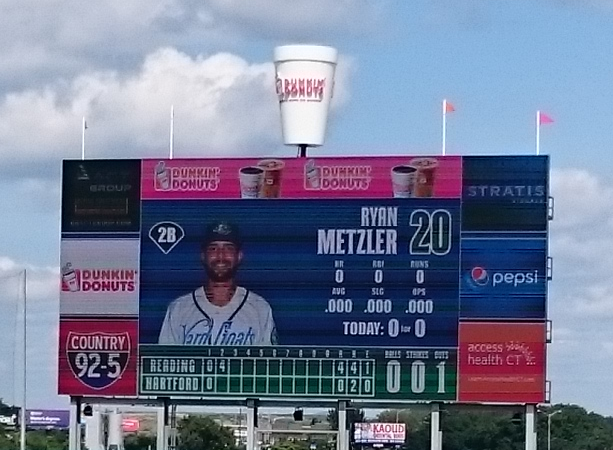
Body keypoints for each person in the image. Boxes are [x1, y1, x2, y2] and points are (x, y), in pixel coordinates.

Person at [158, 220, 277, 345]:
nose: (221, 255)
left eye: (228, 248)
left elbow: (270, 362)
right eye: (213, 248)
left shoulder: (260, 308)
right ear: (203, 256)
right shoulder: (178, 309)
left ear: (239, 256)